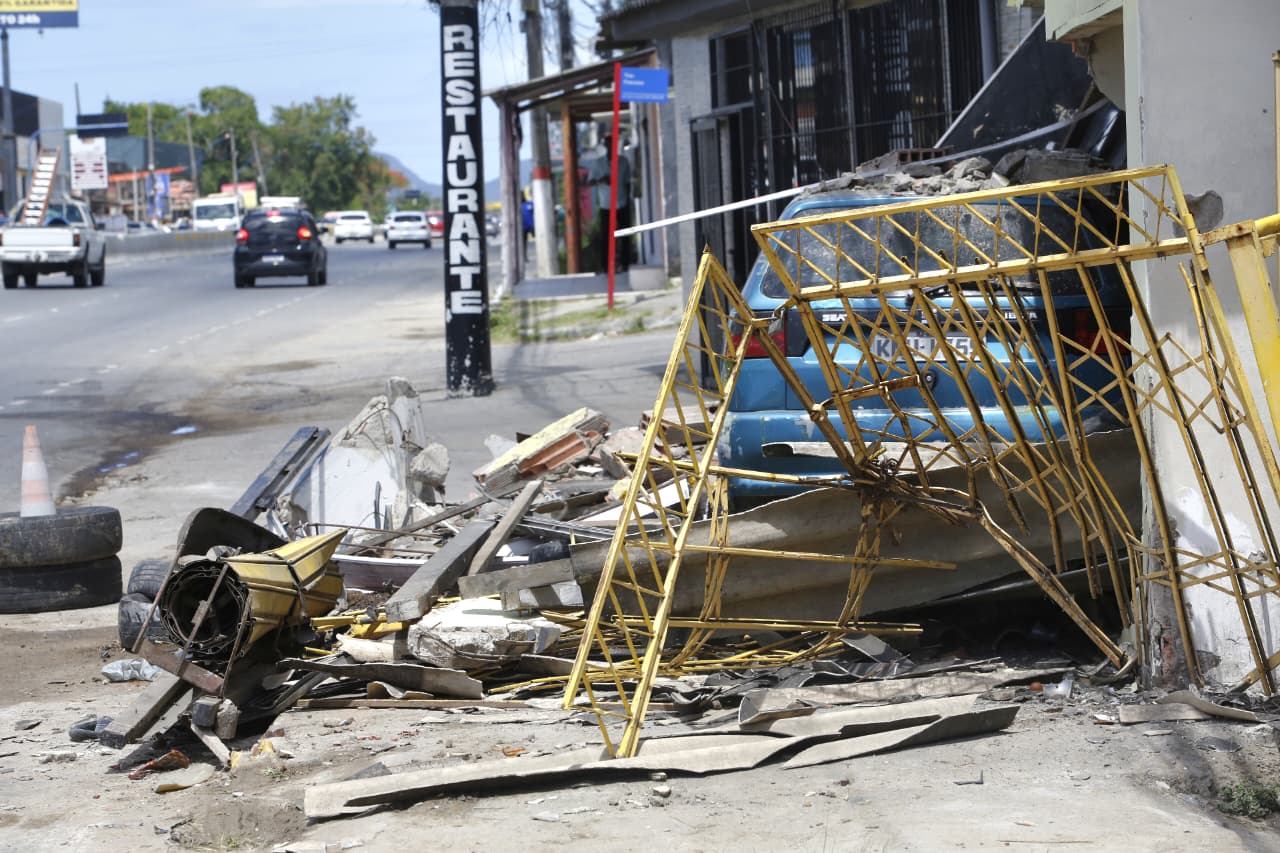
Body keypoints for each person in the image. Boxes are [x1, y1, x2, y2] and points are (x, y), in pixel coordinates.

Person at [586, 133, 633, 272]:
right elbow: (589, 182)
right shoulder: (598, 163)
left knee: (625, 235)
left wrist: (628, 200)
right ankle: (606, 266)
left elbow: (628, 182)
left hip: (622, 202)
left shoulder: (623, 162)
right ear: (605, 146)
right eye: (608, 143)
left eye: (613, 143)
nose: (611, 146)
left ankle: (625, 264)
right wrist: (601, 180)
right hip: (606, 205)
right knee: (606, 237)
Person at [520, 192, 534, 261]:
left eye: (522, 195)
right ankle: (524, 257)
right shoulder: (517, 206)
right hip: (522, 227)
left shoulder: (529, 204)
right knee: (523, 243)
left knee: (541, 238)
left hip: (532, 225)